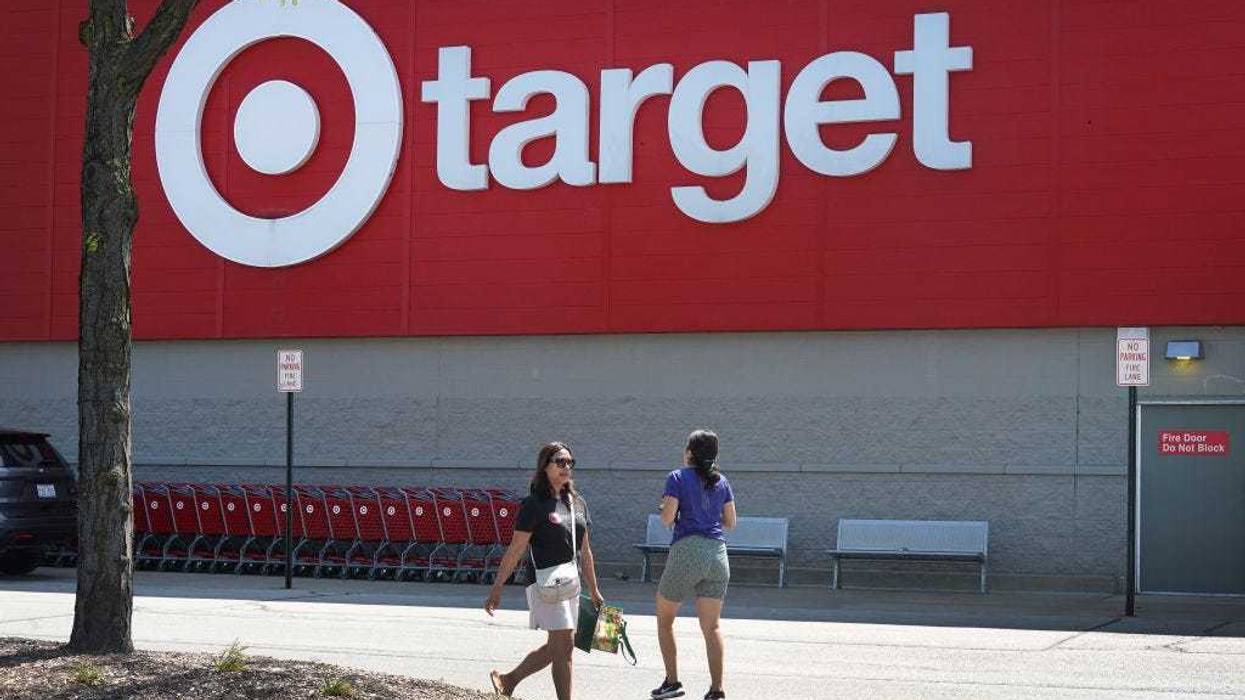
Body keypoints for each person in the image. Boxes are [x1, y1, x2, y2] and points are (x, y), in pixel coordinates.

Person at [485, 441, 604, 700]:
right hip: (543, 583)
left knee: (560, 647)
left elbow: (585, 551)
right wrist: (497, 588)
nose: (566, 467)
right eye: (560, 462)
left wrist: (594, 590)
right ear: (545, 467)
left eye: (570, 463)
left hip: (571, 582)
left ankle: (508, 680)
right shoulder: (534, 504)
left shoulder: (578, 503)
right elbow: (516, 549)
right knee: (564, 644)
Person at [651, 429, 736, 700]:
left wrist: (665, 507)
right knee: (712, 628)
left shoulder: (677, 477)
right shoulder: (722, 481)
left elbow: (666, 519)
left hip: (688, 550)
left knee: (665, 620)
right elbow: (731, 522)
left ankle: (672, 682)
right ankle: (717, 689)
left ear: (689, 452)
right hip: (718, 554)